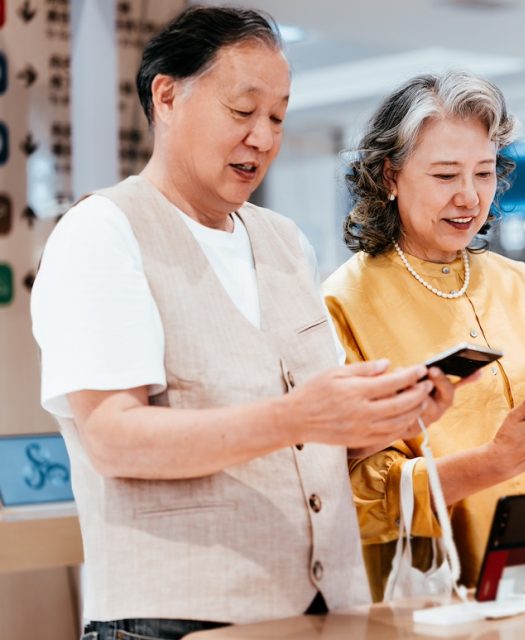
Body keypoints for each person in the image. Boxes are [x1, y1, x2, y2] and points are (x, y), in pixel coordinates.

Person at [31, 7, 457, 639]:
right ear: (167, 96)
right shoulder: (103, 232)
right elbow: (112, 438)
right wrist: (299, 416)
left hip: (326, 610)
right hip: (173, 619)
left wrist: (384, 418)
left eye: (278, 117)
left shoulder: (285, 242)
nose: (262, 137)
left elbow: (312, 445)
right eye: (242, 111)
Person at [323, 71, 525, 601]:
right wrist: (496, 463)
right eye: (445, 175)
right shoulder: (344, 302)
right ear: (390, 176)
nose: (469, 197)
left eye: (484, 173)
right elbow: (356, 494)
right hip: (441, 595)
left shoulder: (516, 282)